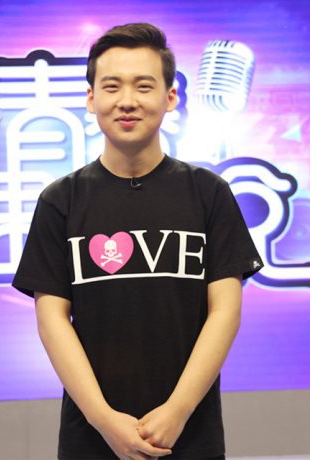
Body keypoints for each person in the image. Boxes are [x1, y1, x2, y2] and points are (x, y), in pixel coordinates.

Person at [13, 23, 263, 460]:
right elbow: (52, 319)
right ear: (91, 98)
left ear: (171, 97)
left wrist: (178, 411)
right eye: (111, 87)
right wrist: (103, 419)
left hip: (190, 436)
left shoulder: (208, 194)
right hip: (91, 438)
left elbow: (225, 311)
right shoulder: (61, 201)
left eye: (143, 86)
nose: (127, 100)